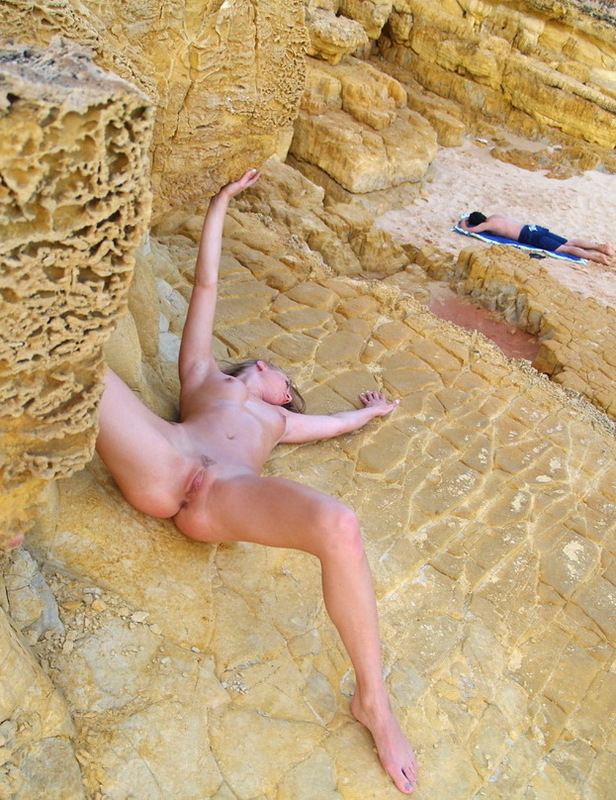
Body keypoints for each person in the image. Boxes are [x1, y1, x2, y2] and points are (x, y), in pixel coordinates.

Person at [95, 170, 418, 793]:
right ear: (257, 366)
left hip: (224, 498)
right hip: (163, 460)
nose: (283, 386)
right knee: (76, 360)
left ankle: (374, 703)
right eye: (281, 378)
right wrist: (221, 202)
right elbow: (207, 285)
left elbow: (334, 423)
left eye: (289, 390)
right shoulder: (201, 374)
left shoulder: (280, 423)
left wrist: (372, 412)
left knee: (340, 526)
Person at [458, 212, 614, 265]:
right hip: (533, 228)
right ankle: (601, 247)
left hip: (529, 236)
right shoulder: (494, 216)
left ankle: (597, 258)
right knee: (568, 242)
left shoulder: (488, 225)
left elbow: (467, 230)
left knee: (565, 249)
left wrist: (464, 221)